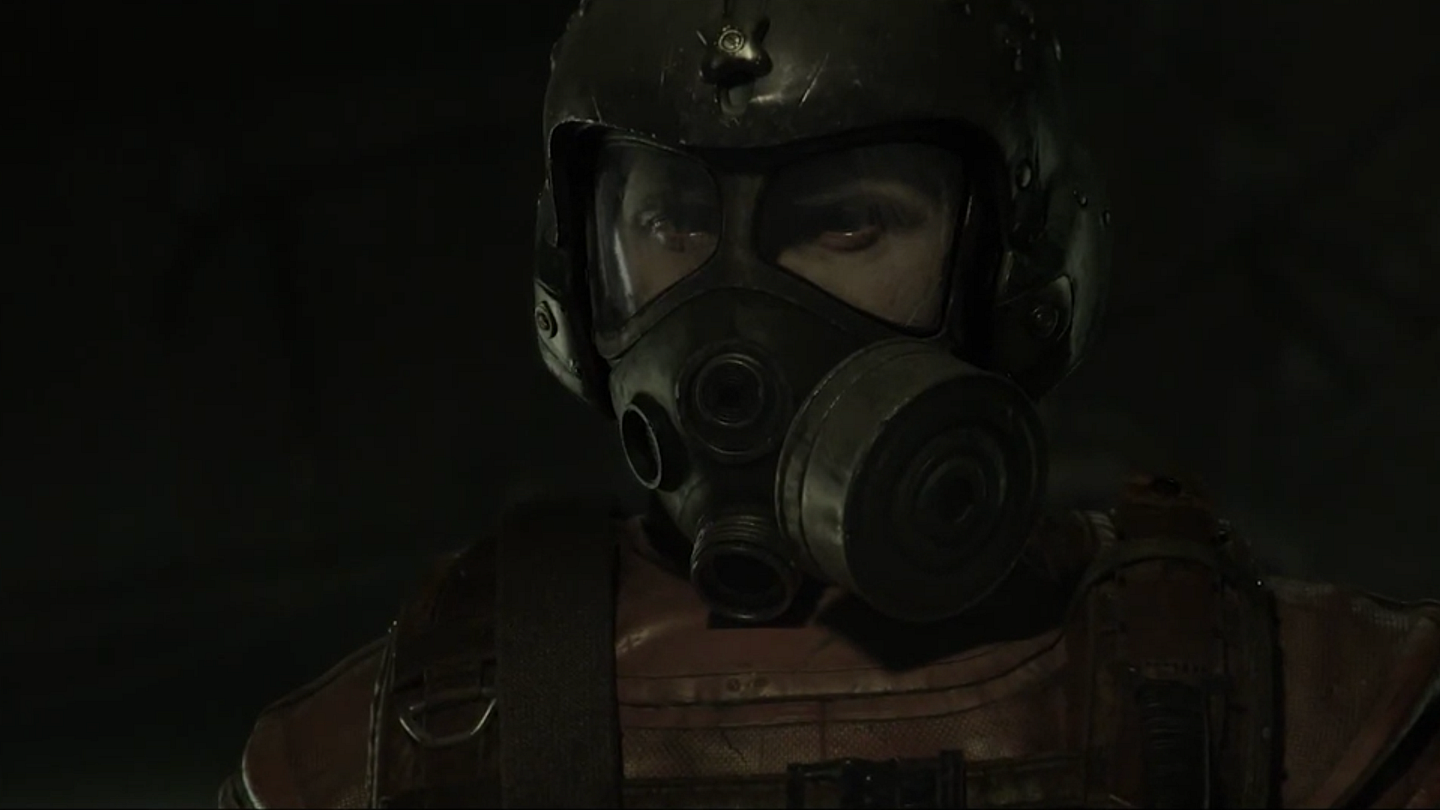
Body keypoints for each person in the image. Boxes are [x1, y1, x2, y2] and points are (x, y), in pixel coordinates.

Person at [221, 1, 1440, 807]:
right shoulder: (390, 745)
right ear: (577, 274)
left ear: (1015, 266)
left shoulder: (1302, 705)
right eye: (671, 220)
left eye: (848, 224)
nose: (733, 325)